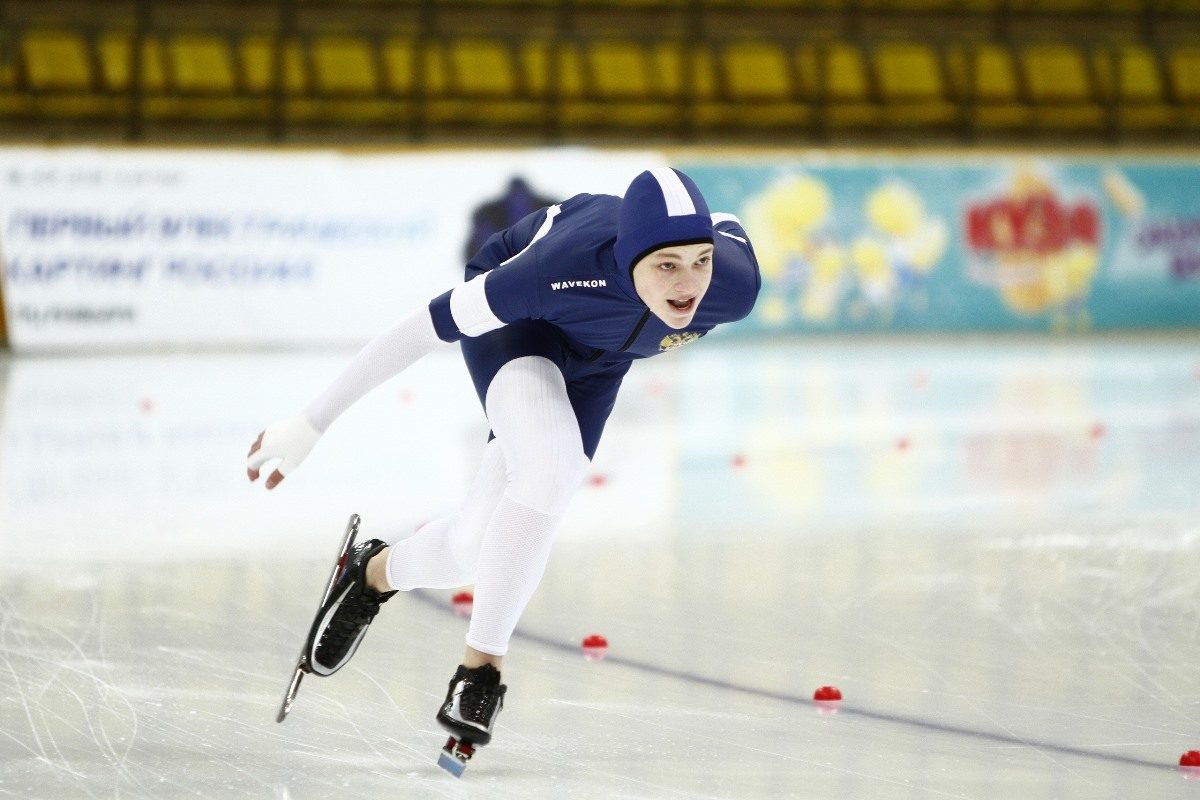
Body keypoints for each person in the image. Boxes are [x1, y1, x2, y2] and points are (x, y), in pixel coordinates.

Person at [247, 167, 761, 752]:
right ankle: (480, 672)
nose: (688, 285)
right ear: (626, 254)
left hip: (598, 365)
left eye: (700, 260)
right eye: (666, 265)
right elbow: (419, 329)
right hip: (520, 332)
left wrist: (702, 245)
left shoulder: (733, 284)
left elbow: (730, 228)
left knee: (473, 548)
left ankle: (371, 573)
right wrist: (313, 420)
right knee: (551, 471)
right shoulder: (558, 271)